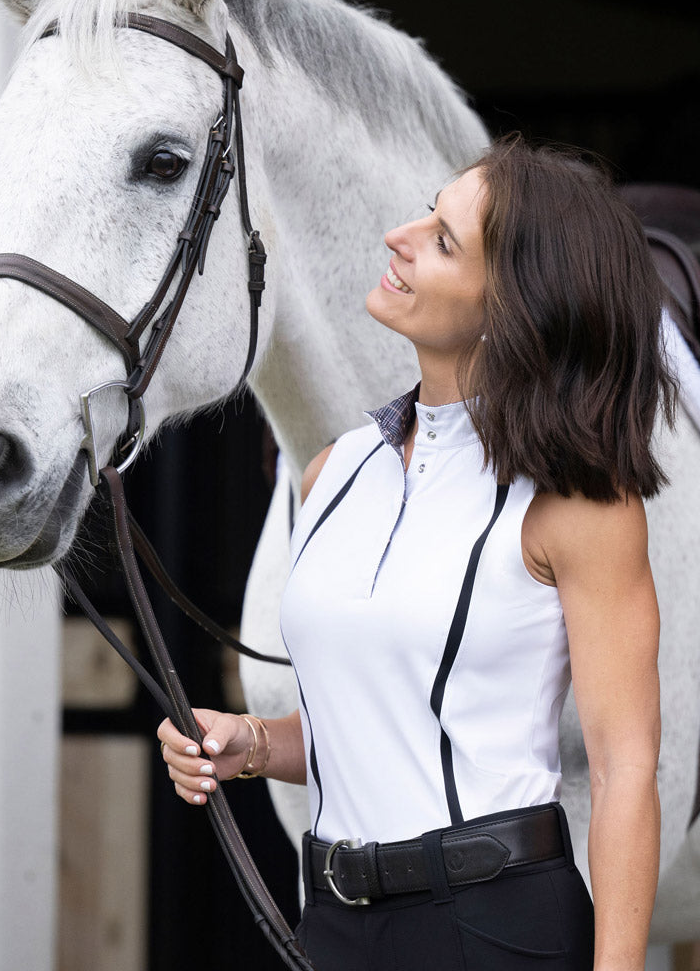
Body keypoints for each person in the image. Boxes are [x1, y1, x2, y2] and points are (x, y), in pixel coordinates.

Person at [158, 135, 675, 970]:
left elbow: (623, 770)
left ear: (515, 305)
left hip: (495, 925)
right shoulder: (331, 470)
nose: (399, 235)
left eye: (442, 239)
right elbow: (370, 728)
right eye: (428, 214)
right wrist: (247, 742)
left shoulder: (578, 504)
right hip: (330, 919)